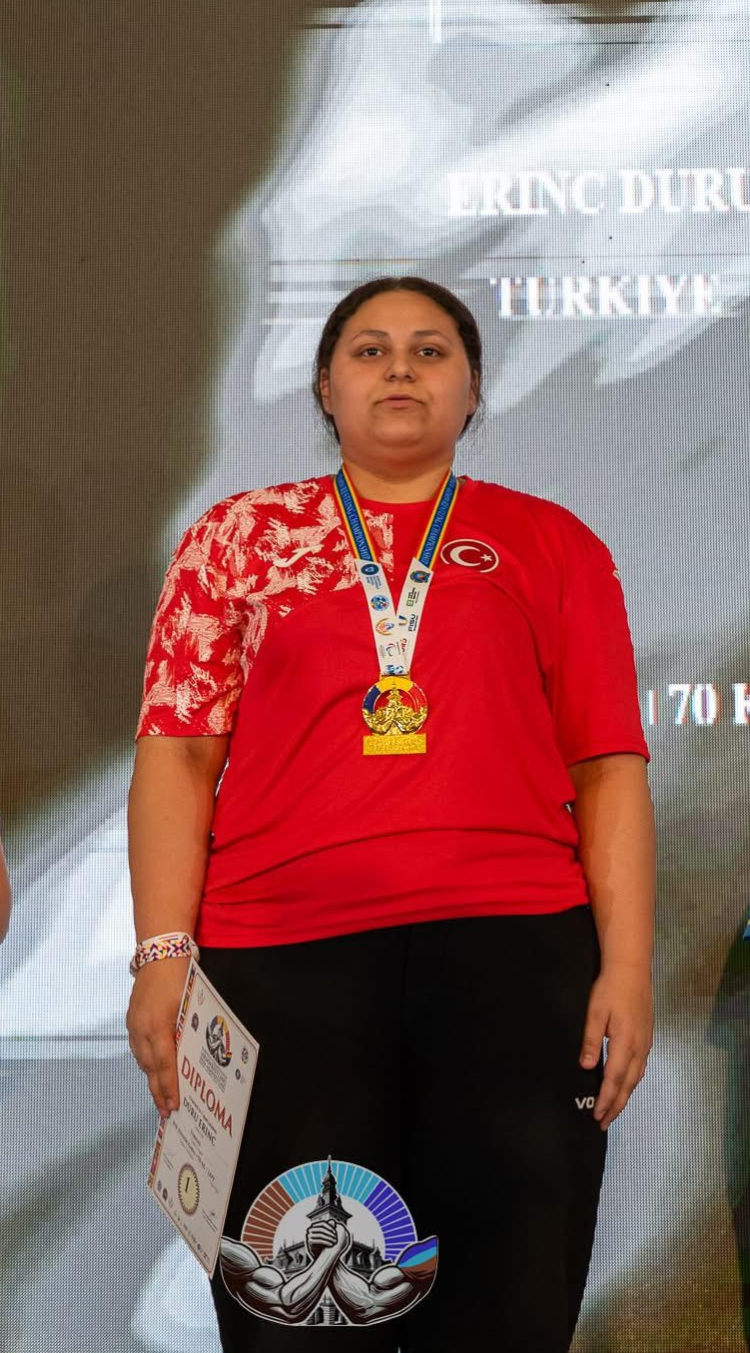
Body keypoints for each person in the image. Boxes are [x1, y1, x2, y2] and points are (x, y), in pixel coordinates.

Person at [126, 276, 655, 1352]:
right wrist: (163, 952)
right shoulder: (237, 539)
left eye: (430, 350)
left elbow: (607, 767)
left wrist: (631, 965)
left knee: (507, 1308)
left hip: (514, 964)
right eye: (369, 350)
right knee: (300, 1316)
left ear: (473, 389)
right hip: (282, 971)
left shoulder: (552, 542)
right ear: (325, 387)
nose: (400, 368)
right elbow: (177, 755)